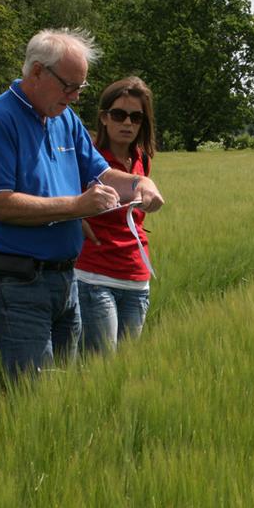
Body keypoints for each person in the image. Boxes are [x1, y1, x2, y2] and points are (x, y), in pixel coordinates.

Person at [0, 29, 163, 378]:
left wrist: (139, 183)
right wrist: (76, 207)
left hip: (65, 280)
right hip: (19, 282)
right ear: (38, 72)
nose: (74, 97)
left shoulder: (64, 119)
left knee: (63, 389)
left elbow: (101, 174)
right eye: (68, 86)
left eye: (80, 89)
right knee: (34, 393)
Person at [75, 77, 158, 354]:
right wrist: (77, 217)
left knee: (125, 365)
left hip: (136, 276)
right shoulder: (88, 159)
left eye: (136, 117)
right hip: (94, 277)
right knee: (101, 365)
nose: (127, 123)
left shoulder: (141, 158)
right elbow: (62, 199)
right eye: (119, 114)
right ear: (104, 117)